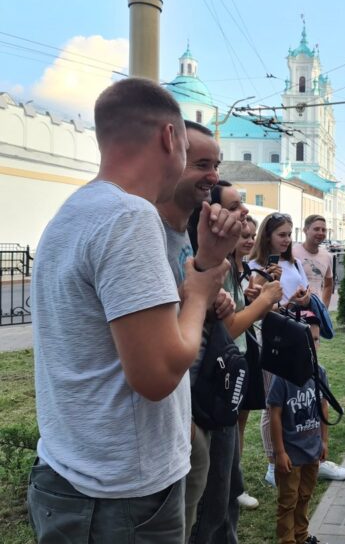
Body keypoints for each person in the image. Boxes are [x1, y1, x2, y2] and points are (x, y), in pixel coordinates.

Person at [28, 78, 229, 543]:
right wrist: (198, 293)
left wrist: (204, 264)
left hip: (73, 480)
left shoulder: (72, 214)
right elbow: (157, 375)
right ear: (169, 138)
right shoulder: (129, 216)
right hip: (120, 501)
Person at [156, 120, 243, 541]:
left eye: (217, 164)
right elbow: (155, 337)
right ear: (169, 158)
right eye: (202, 163)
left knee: (202, 512)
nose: (213, 176)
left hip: (197, 397)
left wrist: (210, 292)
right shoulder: (143, 232)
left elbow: (192, 296)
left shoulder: (184, 237)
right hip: (176, 408)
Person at [188, 182, 282, 543]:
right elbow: (226, 329)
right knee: (213, 496)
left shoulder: (228, 262)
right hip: (215, 381)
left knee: (225, 486)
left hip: (230, 370)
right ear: (208, 215)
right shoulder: (211, 264)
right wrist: (265, 302)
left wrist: (252, 297)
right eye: (234, 205)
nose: (244, 212)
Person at [250, 213, 314, 486]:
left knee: (299, 394)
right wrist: (269, 289)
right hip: (272, 340)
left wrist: (304, 299)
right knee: (273, 402)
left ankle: (300, 453)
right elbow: (255, 308)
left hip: (297, 335)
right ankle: (272, 462)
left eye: (290, 234)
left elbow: (300, 295)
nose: (287, 240)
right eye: (282, 235)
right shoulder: (254, 266)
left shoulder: (294, 262)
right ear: (267, 236)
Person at [292, 214, 345, 482]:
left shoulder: (327, 256)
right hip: (291, 320)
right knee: (287, 385)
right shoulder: (293, 251)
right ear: (305, 230)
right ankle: (281, 456)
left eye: (324, 229)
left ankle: (314, 448)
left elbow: (329, 283)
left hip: (313, 321)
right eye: (316, 228)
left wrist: (323, 307)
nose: (321, 233)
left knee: (312, 378)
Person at [268, 361, 329, 544]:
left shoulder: (320, 372)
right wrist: (279, 452)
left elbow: (324, 405)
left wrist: (324, 441)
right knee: (288, 501)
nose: (313, 346)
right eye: (308, 341)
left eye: (316, 340)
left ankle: (301, 535)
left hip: (312, 450)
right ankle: (287, 540)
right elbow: (274, 414)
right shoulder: (282, 377)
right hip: (291, 454)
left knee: (305, 495)